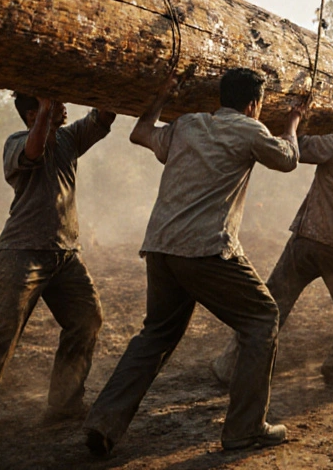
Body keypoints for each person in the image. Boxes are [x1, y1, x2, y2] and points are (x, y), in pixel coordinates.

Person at [83, 68, 300, 456]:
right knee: (263, 318)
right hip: (204, 249)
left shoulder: (186, 125)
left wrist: (162, 96)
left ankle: (104, 421)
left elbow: (140, 132)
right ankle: (245, 429)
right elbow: (288, 159)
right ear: (254, 104)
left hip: (161, 246)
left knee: (157, 335)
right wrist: (294, 122)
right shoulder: (251, 130)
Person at [0, 95, 116, 432]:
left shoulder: (70, 139)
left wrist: (105, 87)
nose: (64, 107)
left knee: (87, 318)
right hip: (23, 251)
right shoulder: (16, 143)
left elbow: (104, 118)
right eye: (55, 104)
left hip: (65, 253)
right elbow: (34, 151)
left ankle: (65, 405)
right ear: (32, 113)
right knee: (4, 326)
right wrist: (45, 109)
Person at [212, 98, 333, 387]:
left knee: (273, 302)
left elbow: (294, 150)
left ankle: (230, 365)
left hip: (307, 241)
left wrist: (294, 121)